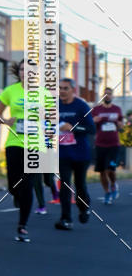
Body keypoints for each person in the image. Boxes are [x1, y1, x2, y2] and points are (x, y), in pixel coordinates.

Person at [0, 60, 55, 243]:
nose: (25, 72)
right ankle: (17, 195)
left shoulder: (45, 93)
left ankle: (22, 226)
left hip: (35, 145)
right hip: (14, 142)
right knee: (14, 185)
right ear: (19, 72)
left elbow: (52, 120)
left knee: (28, 184)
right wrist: (6, 121)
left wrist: (49, 129)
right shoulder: (10, 91)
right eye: (23, 69)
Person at [54, 78, 95, 230]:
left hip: (81, 154)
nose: (62, 91)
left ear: (73, 90)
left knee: (80, 185)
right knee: (65, 184)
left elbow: (91, 129)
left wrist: (73, 128)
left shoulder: (81, 106)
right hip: (63, 153)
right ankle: (66, 219)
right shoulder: (55, 105)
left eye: (65, 88)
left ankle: (84, 208)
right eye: (60, 88)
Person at [92, 88, 124, 204]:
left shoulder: (117, 109)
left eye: (109, 94)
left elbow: (121, 126)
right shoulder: (96, 109)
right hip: (100, 144)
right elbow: (90, 124)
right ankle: (107, 192)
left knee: (110, 169)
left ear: (112, 96)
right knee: (102, 171)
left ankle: (113, 185)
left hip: (114, 145)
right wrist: (94, 120)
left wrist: (119, 124)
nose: (107, 96)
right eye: (105, 94)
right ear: (103, 96)